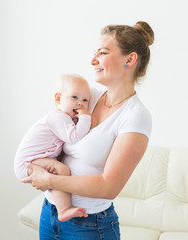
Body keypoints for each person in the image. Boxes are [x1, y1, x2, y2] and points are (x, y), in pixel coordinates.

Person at [21, 21, 154, 240]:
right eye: (94, 53)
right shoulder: (86, 96)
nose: (93, 61)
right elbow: (51, 130)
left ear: (129, 60)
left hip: (90, 225)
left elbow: (108, 186)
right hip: (49, 212)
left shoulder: (136, 116)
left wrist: (50, 181)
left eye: (102, 53)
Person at [14, 73, 91, 222]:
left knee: (58, 170)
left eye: (85, 100)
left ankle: (63, 209)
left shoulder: (64, 118)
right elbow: (74, 137)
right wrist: (86, 117)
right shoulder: (58, 117)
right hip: (27, 162)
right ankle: (64, 210)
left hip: (37, 160)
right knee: (62, 170)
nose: (80, 103)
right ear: (58, 99)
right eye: (74, 97)